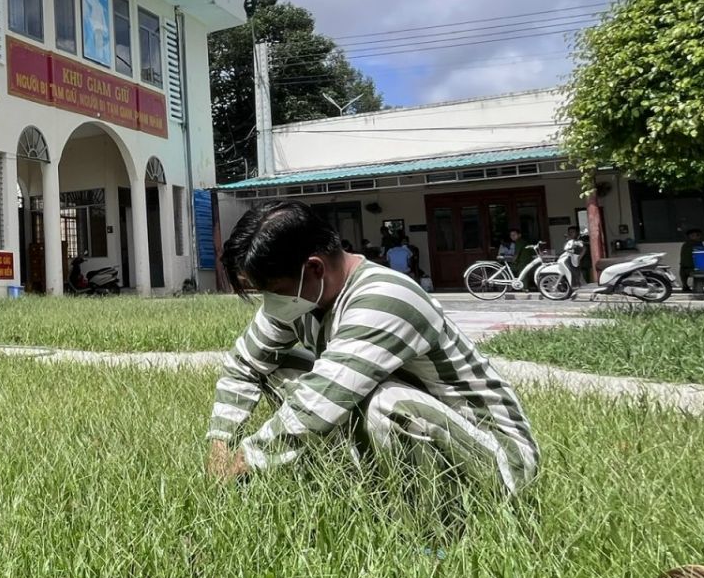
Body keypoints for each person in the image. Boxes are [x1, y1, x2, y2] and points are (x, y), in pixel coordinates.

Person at [207, 202, 540, 495]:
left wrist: (244, 461)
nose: (270, 302)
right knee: (278, 366)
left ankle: (434, 530)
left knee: (386, 403)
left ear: (314, 268)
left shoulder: (385, 298)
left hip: (495, 455)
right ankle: (364, 482)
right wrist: (220, 446)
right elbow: (243, 366)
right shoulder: (300, 299)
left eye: (274, 290)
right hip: (432, 434)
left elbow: (321, 400)